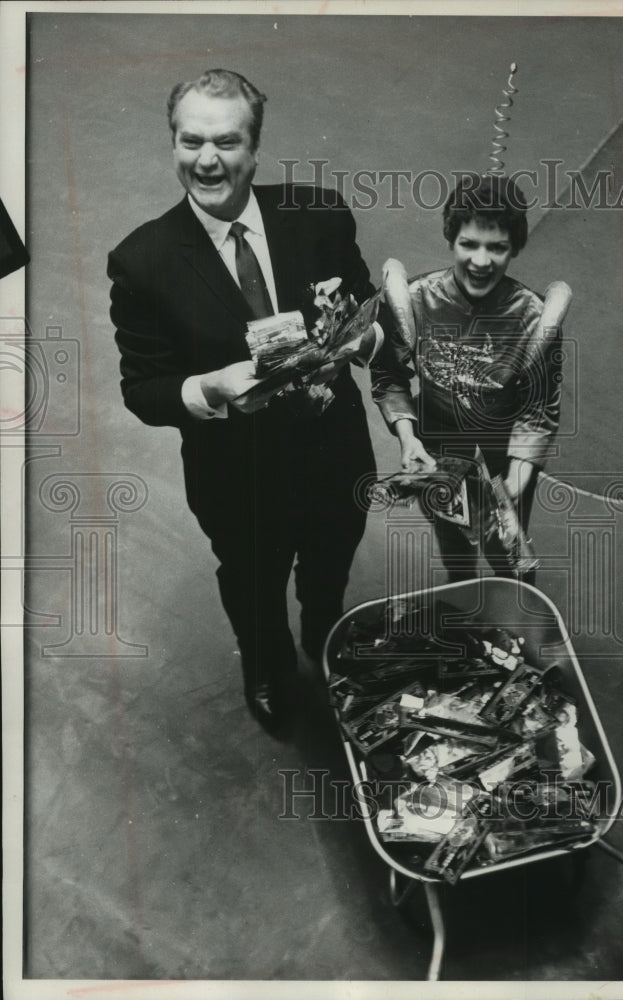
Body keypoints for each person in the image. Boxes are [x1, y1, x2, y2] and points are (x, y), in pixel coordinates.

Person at [108, 69, 376, 734]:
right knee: (253, 583)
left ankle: (323, 636)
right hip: (237, 473)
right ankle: (268, 666)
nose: (207, 160)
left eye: (227, 142)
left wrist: (362, 339)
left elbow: (366, 308)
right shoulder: (141, 262)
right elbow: (142, 389)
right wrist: (210, 388)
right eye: (190, 141)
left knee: (330, 559)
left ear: (255, 148)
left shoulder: (320, 215)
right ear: (171, 143)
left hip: (334, 454)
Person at [371, 172, 570, 584]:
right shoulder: (416, 300)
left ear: (514, 248)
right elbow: (389, 376)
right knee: (454, 545)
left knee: (510, 555)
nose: (482, 261)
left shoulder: (534, 318)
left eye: (497, 248)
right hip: (435, 444)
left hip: (502, 452)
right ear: (451, 240)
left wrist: (515, 481)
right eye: (469, 244)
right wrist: (409, 440)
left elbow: (539, 409)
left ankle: (513, 624)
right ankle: (463, 613)